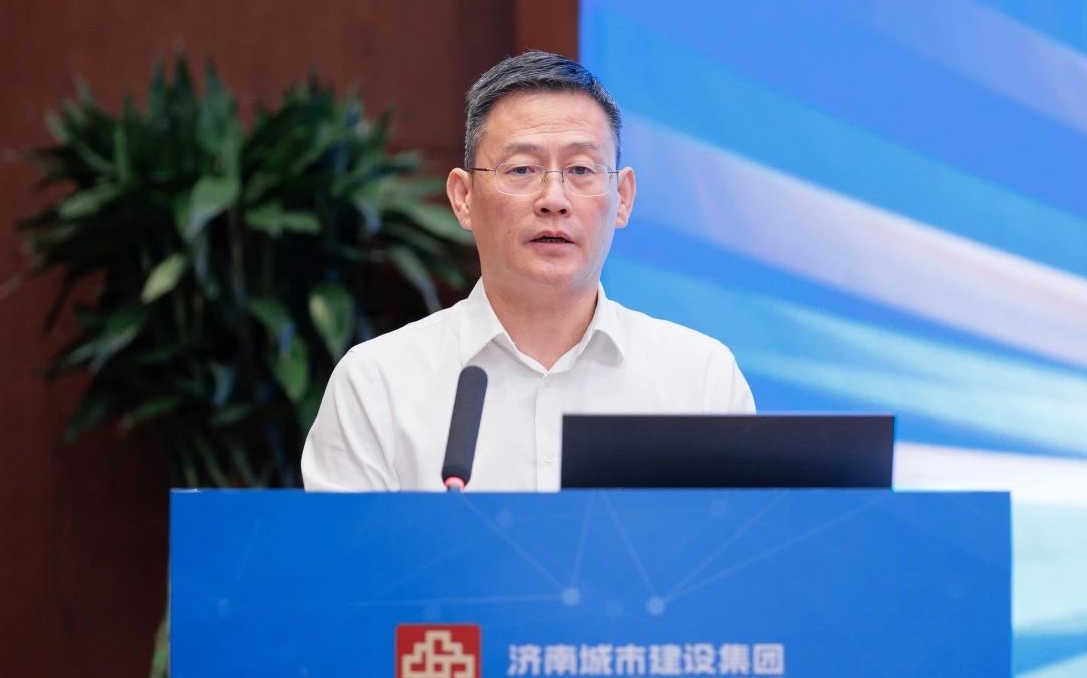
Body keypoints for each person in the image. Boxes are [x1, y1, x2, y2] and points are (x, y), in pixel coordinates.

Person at [301, 51, 754, 491]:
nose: (553, 199)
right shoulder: (377, 384)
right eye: (521, 169)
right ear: (463, 198)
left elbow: (742, 541)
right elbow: (342, 547)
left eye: (581, 169)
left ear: (624, 197)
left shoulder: (699, 380)